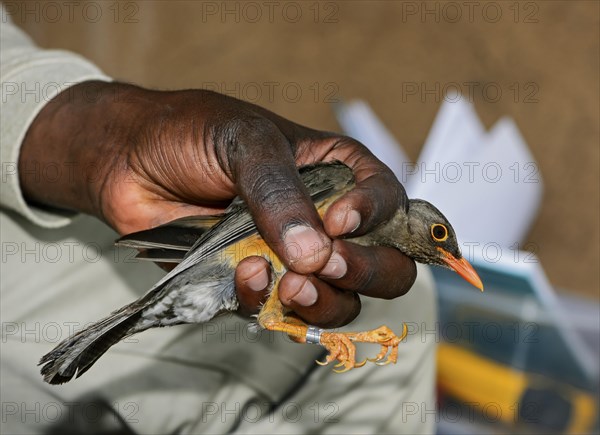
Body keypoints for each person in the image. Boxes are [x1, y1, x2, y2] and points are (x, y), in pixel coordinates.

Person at [1, 7, 437, 434]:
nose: (446, 251)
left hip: (224, 275)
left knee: (402, 298)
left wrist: (119, 148)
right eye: (439, 235)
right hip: (215, 264)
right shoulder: (339, 178)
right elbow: (246, 225)